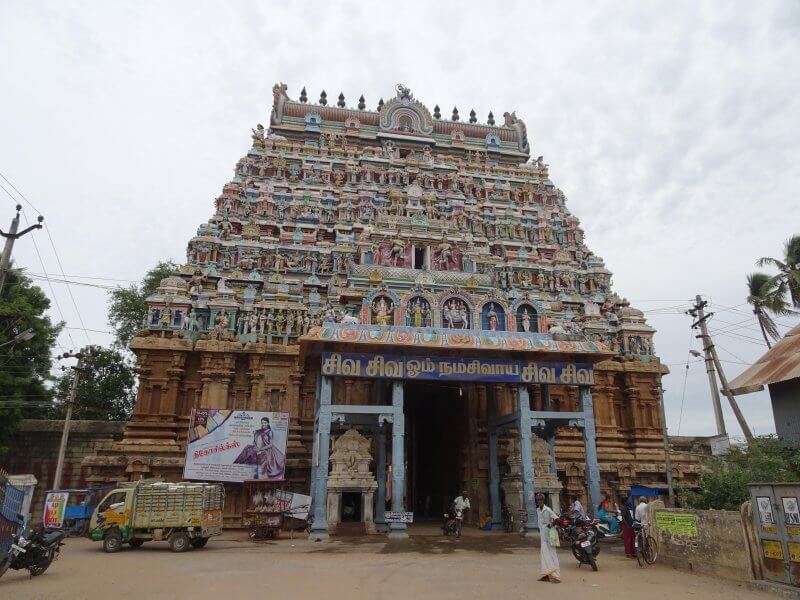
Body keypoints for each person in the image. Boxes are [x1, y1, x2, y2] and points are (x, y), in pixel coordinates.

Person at [536, 493, 560, 583]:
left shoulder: (547, 509)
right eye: (538, 500)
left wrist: (550, 525)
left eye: (541, 499)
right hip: (543, 535)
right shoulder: (538, 510)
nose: (539, 501)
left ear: (543, 500)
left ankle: (556, 576)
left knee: (552, 555)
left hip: (550, 535)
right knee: (544, 555)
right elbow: (539, 522)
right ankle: (546, 575)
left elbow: (557, 519)